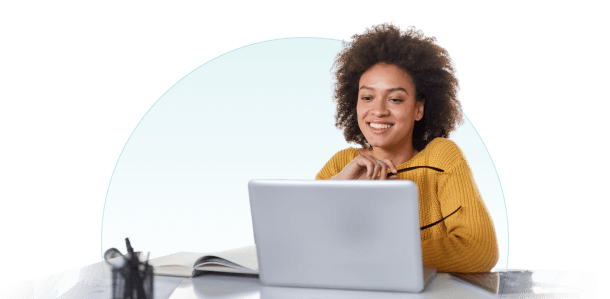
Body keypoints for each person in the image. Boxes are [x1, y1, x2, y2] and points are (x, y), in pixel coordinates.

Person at [316, 21, 499, 273]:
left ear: (418, 108)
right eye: (367, 97)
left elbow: (478, 249)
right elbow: (302, 247)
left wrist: (374, 256)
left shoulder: (442, 158)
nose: (378, 111)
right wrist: (337, 190)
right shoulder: (342, 164)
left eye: (395, 99)